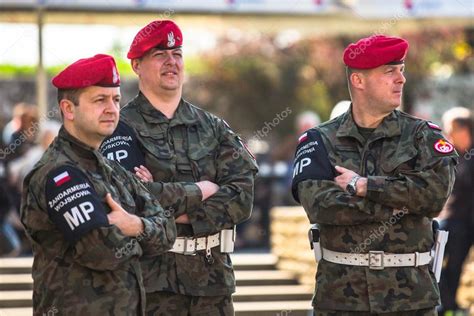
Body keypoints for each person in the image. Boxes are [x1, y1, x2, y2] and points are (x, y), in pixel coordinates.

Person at [291, 35, 458, 315]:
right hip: (341, 300)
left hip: (411, 300)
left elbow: (434, 197)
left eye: (401, 70)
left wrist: (364, 185)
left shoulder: (423, 136)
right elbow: (322, 207)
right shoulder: (319, 140)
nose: (401, 79)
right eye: (389, 71)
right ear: (359, 81)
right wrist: (403, 203)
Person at [100, 20, 258, 315]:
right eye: (160, 54)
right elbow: (128, 200)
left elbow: (242, 197)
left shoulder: (214, 127)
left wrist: (165, 202)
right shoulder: (118, 128)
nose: (171, 62)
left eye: (177, 54)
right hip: (150, 284)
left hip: (213, 283)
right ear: (136, 65)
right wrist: (204, 190)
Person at [20, 54, 176, 315]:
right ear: (69, 109)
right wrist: (146, 233)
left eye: (116, 99)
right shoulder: (58, 174)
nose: (112, 109)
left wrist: (135, 225)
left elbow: (168, 230)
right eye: (99, 100)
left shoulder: (111, 168)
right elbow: (104, 251)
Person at [438, 107, 473, 316]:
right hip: (454, 219)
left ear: (465, 129)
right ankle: (447, 304)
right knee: (447, 263)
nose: (448, 135)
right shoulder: (449, 156)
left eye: (452, 130)